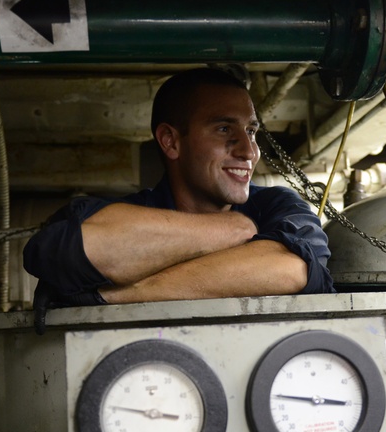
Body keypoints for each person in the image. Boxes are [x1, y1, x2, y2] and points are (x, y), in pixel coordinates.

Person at [23, 67, 333, 317]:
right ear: (171, 141)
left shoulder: (276, 205)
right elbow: (54, 251)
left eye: (250, 131)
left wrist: (116, 297)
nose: (249, 152)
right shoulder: (121, 213)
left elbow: (296, 269)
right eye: (224, 129)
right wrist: (232, 230)